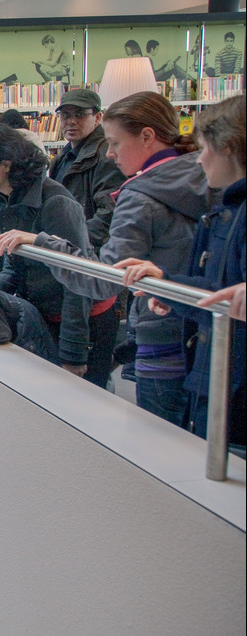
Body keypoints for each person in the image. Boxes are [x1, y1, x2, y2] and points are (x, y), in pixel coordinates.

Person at [0, 92, 210, 422]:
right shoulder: (204, 176)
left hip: (161, 335)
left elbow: (101, 278)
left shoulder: (140, 196)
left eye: (115, 143)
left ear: (147, 137)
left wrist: (46, 243)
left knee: (161, 443)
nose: (110, 154)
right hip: (202, 334)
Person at [117, 95, 245, 445]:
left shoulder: (230, 212)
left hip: (231, 380)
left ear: (231, 148)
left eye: (206, 148)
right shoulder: (220, 210)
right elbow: (217, 288)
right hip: (207, 370)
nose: (198, 158)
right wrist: (169, 287)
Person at [0, 124, 95, 379]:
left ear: (7, 164)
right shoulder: (1, 200)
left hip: (80, 321)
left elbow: (78, 282)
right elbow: (13, 267)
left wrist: (74, 351)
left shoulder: (56, 203)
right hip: (43, 312)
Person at [46, 89, 127, 250]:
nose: (71, 121)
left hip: (88, 253)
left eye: (79, 114)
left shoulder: (106, 157)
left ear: (97, 118)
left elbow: (109, 215)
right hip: (67, 248)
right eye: (65, 115)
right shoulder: (63, 158)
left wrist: (70, 242)